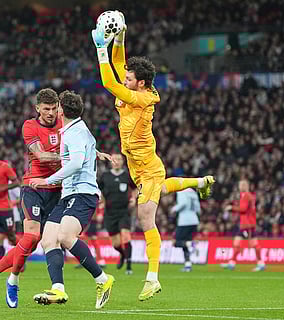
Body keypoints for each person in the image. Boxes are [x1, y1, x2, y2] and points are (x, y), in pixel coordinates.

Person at [91, 12, 215, 300]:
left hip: (147, 168)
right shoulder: (134, 87)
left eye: (130, 78)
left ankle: (152, 278)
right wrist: (119, 37)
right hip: (139, 165)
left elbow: (110, 82)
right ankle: (199, 182)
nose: (126, 78)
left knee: (146, 218)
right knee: (161, 190)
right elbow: (120, 67)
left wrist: (100, 48)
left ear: (141, 84)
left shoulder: (142, 97)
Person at [0, 88, 64, 308]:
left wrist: (94, 152)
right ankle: (13, 281)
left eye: (54, 108)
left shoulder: (65, 123)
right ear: (38, 109)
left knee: (35, 244)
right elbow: (42, 155)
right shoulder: (29, 126)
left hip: (56, 190)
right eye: (46, 109)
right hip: (33, 186)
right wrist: (72, 157)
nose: (51, 113)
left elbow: (82, 142)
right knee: (31, 238)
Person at [31, 90, 115, 310]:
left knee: (66, 236)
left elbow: (76, 163)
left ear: (61, 110)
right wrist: (97, 152)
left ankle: (102, 280)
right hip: (69, 194)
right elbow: (82, 152)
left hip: (82, 193)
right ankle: (58, 288)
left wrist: (47, 180)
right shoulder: (76, 129)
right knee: (49, 239)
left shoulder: (73, 132)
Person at [98, 153, 134, 274]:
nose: (117, 161)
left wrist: (134, 199)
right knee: (116, 243)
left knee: (126, 236)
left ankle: (129, 266)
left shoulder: (127, 175)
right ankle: (123, 255)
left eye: (119, 159)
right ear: (111, 161)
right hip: (110, 213)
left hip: (124, 211)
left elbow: (135, 188)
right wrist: (102, 201)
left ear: (123, 162)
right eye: (115, 159)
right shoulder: (105, 176)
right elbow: (99, 190)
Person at [222, 179, 265, 272]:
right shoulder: (249, 196)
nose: (240, 187)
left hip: (247, 224)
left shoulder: (246, 196)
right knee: (239, 242)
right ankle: (232, 263)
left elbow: (243, 209)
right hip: (247, 223)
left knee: (252, 244)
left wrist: (231, 208)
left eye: (241, 185)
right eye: (240, 185)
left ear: (246, 186)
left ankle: (260, 263)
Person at [170, 188, 201, 272]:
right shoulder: (194, 193)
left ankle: (192, 244)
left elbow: (183, 203)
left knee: (175, 242)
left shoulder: (181, 192)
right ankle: (188, 265)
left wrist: (174, 209)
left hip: (184, 221)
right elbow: (198, 209)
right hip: (194, 220)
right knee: (185, 243)